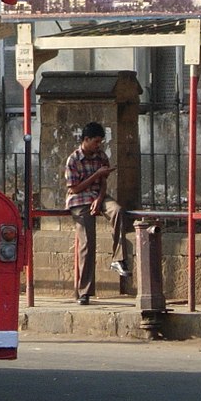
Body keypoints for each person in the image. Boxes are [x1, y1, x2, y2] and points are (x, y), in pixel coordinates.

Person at [64, 121, 132, 305]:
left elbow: (103, 183)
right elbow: (75, 188)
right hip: (79, 200)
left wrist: (100, 199)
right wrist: (95, 175)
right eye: (95, 141)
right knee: (87, 243)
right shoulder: (73, 160)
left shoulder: (100, 156)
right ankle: (85, 291)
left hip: (98, 197)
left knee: (117, 211)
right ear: (86, 140)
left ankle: (119, 259)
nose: (98, 145)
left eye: (100, 142)